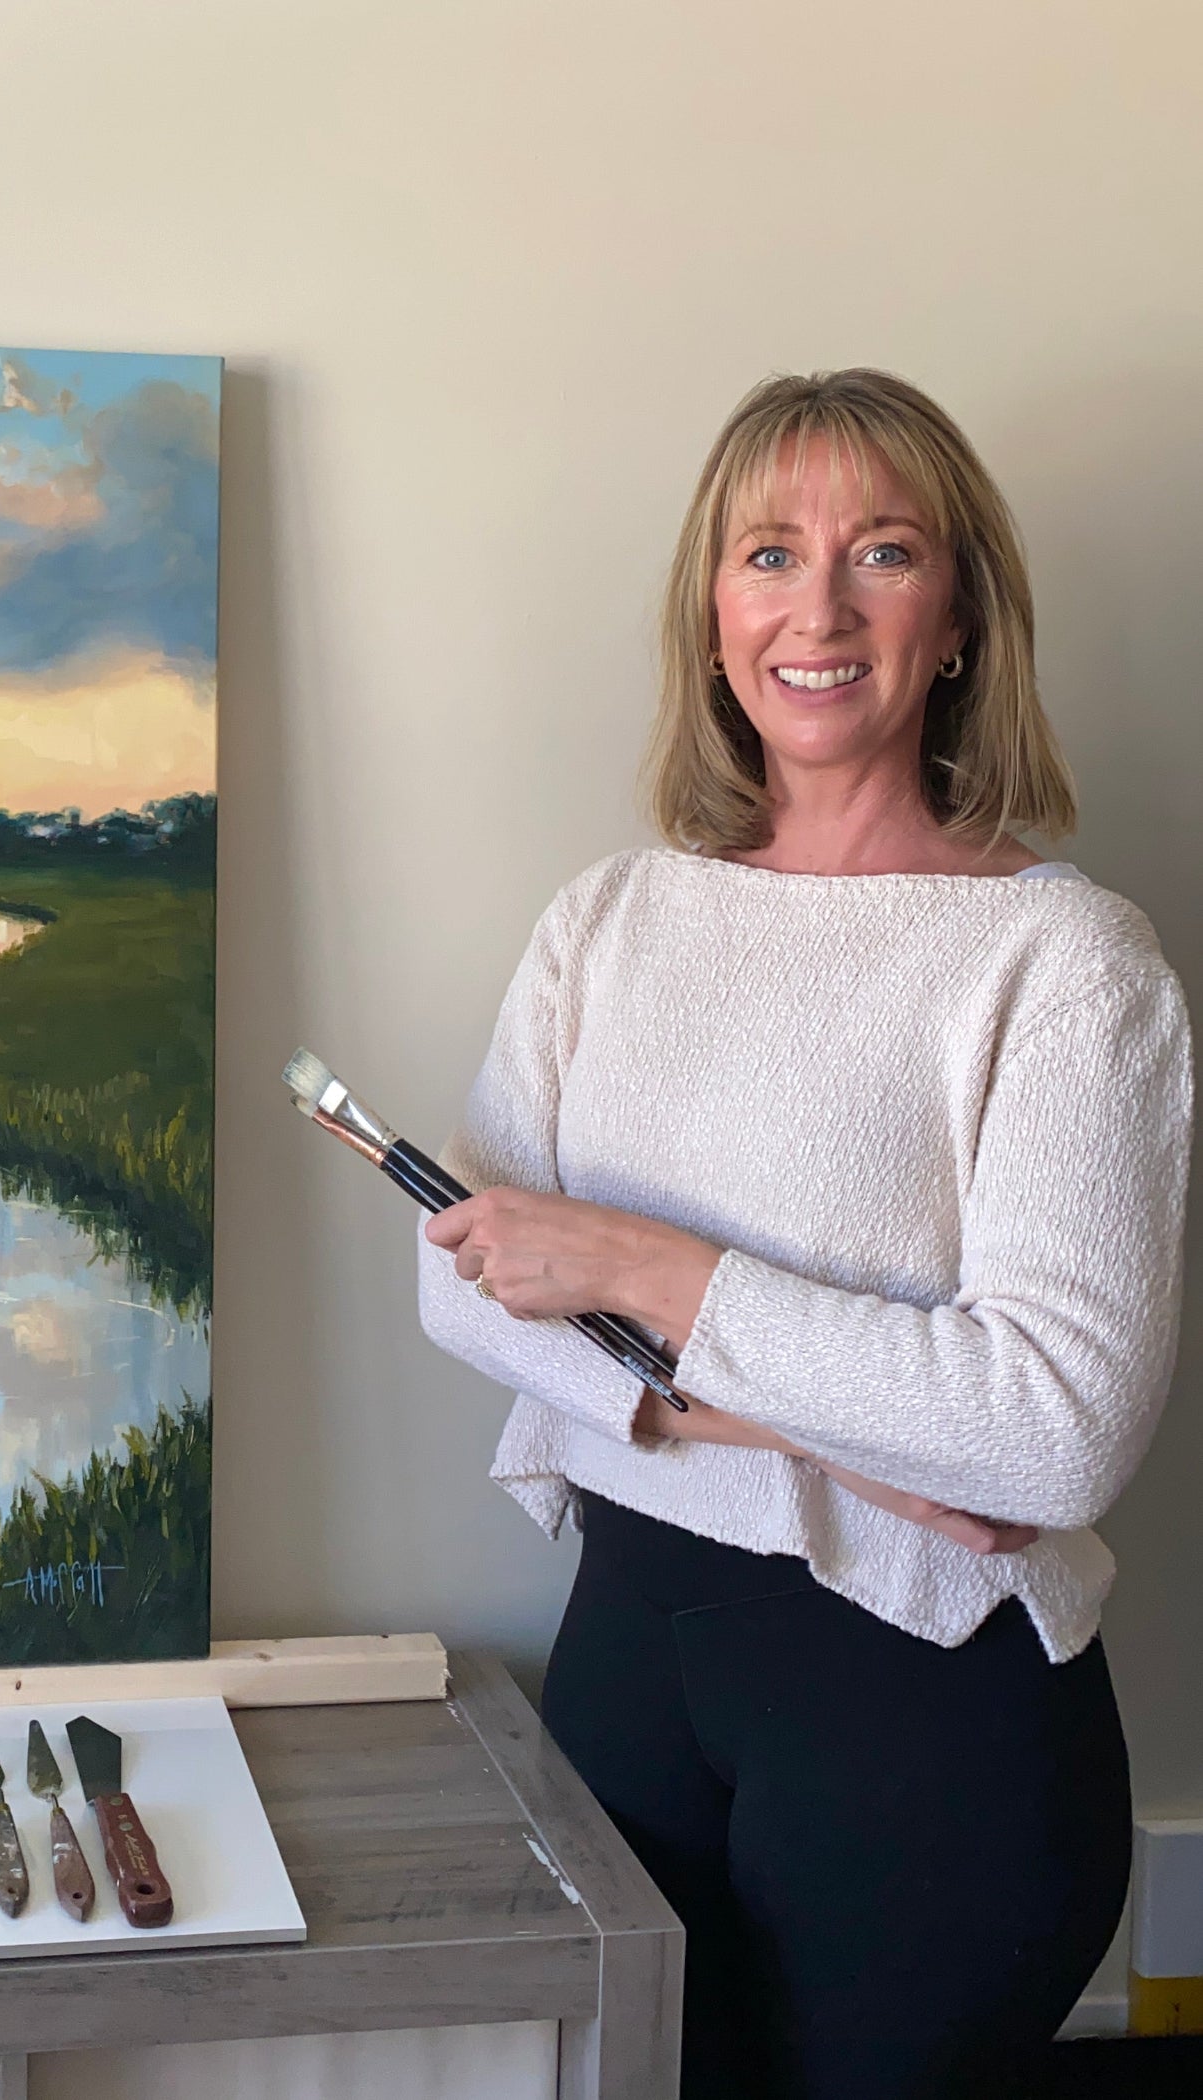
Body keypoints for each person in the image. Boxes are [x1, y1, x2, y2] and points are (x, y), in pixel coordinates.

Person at [417, 368, 1193, 2100]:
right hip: (629, 1663)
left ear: (962, 618)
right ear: (713, 615)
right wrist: (762, 1419)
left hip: (929, 1736)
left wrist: (642, 1275)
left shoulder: (1070, 965)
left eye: (884, 552)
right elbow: (459, 1271)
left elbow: (1052, 1430)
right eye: (769, 553)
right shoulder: (609, 917)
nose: (819, 607)